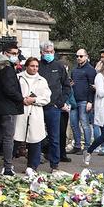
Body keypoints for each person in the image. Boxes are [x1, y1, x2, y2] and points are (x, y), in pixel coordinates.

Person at [14, 56, 51, 175]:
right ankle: (9, 164)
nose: (35, 68)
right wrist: (22, 100)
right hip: (21, 111)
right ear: (27, 66)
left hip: (35, 113)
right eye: (32, 66)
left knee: (35, 140)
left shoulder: (42, 80)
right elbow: (13, 93)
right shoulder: (19, 78)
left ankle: (32, 166)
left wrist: (34, 100)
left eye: (36, 66)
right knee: (16, 137)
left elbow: (46, 98)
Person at [36, 41, 70, 173]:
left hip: (53, 107)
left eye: (51, 52)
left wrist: (60, 102)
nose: (49, 54)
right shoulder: (37, 66)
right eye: (46, 52)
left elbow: (66, 85)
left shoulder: (59, 66)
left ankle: (54, 164)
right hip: (38, 106)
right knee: (36, 136)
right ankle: (34, 163)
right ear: (41, 53)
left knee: (54, 137)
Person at [69, 48, 96, 154]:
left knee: (84, 124)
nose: (78, 58)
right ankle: (77, 145)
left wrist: (90, 101)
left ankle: (87, 146)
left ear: (86, 56)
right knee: (74, 124)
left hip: (84, 100)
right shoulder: (75, 70)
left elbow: (92, 87)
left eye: (81, 56)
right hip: (74, 100)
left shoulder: (90, 70)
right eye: (77, 56)